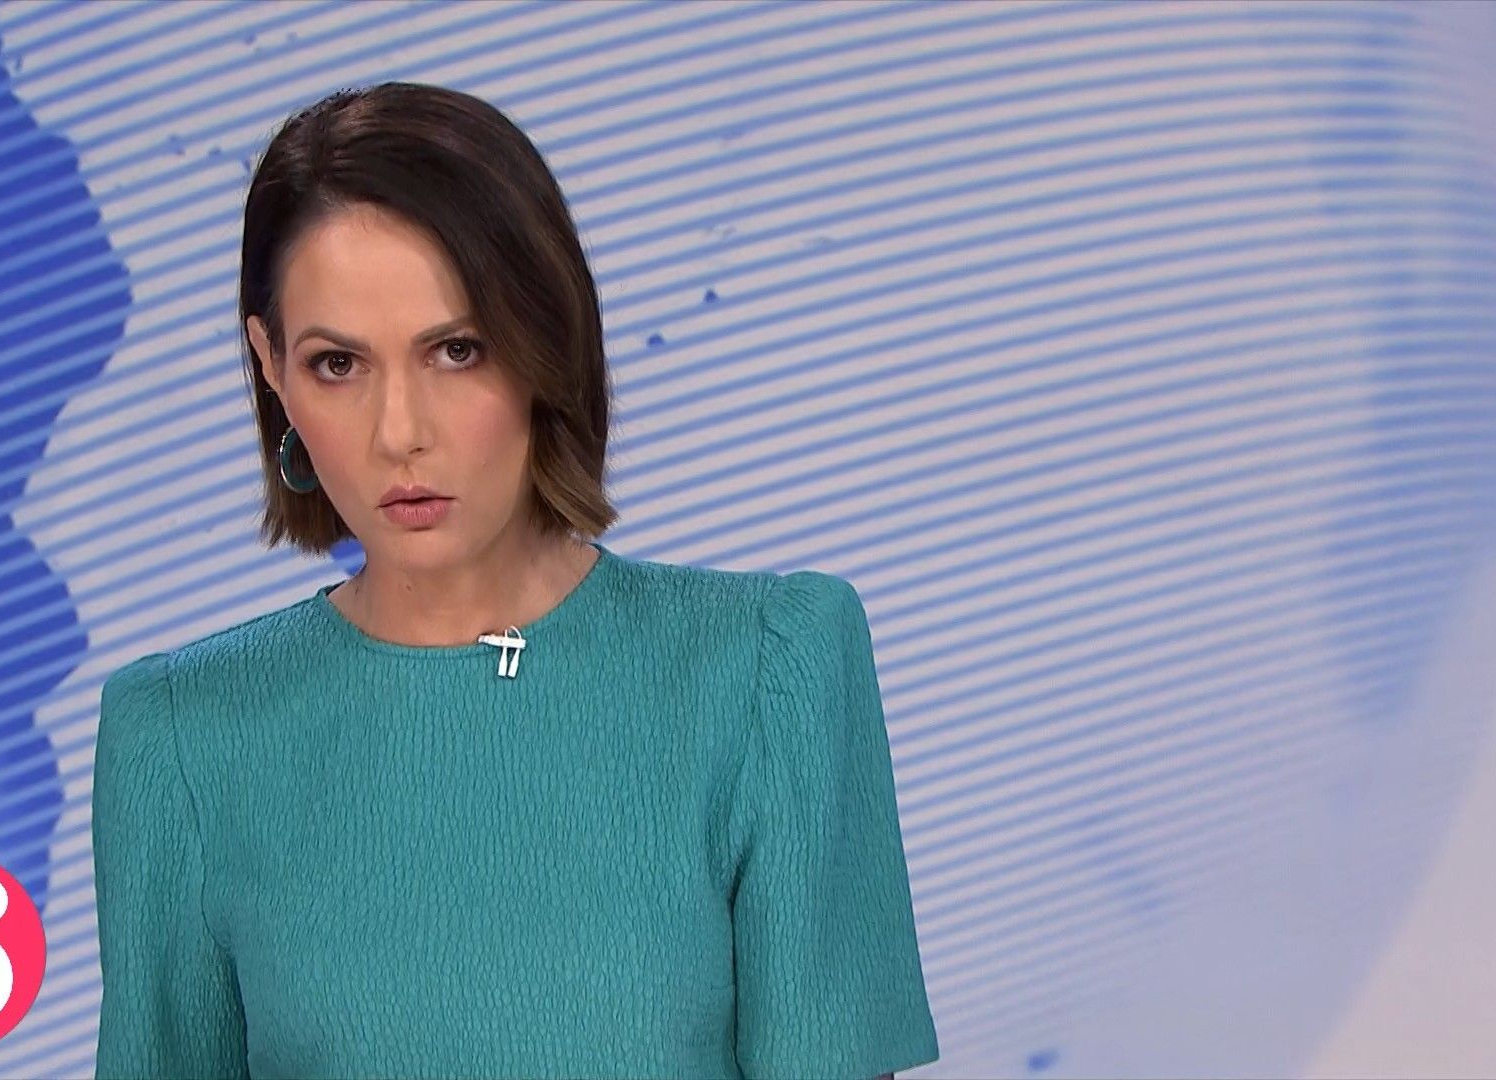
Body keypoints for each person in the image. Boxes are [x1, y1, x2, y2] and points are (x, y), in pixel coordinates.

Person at [90, 81, 938, 1080]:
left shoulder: (770, 672)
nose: (400, 433)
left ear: (547, 342)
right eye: (338, 365)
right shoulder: (180, 738)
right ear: (269, 364)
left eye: (457, 350)